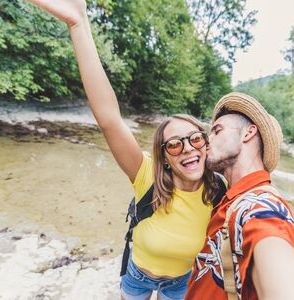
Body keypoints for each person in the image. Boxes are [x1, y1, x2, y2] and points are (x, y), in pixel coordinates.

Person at [27, 1, 224, 299]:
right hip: (137, 277)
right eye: (174, 144)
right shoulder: (146, 174)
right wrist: (79, 25)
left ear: (206, 145)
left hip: (182, 283)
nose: (187, 149)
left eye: (195, 139)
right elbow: (109, 119)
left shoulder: (220, 188)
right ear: (165, 157)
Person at [185, 92, 294, 300]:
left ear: (248, 133)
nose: (206, 141)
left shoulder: (260, 206)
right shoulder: (230, 198)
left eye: (217, 131)